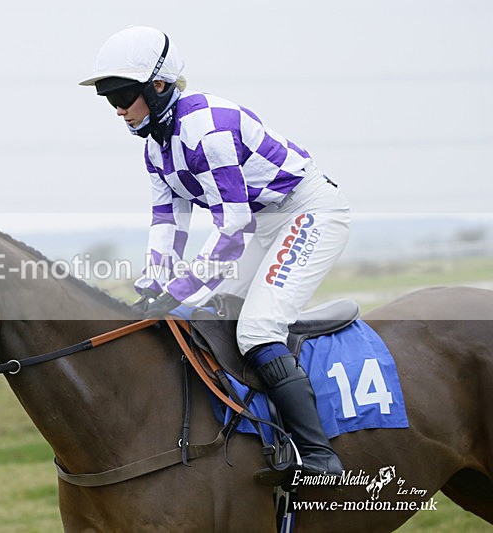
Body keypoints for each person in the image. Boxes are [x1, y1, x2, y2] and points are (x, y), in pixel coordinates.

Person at [80, 26, 350, 485]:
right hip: (261, 223)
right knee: (202, 317)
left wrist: (180, 287)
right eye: (109, 100)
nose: (119, 109)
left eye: (123, 96)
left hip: (308, 213)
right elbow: (168, 222)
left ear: (158, 86)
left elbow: (233, 228)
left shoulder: (208, 130)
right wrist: (154, 286)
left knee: (257, 331)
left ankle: (319, 457)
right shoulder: (156, 146)